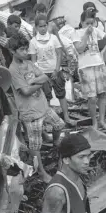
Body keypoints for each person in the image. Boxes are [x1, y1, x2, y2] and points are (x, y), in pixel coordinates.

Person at [8, 33, 65, 182]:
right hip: (30, 112)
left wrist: (34, 81)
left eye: (26, 49)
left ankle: (55, 144)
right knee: (35, 145)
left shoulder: (28, 63)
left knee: (59, 124)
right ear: (13, 51)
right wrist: (38, 83)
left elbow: (45, 76)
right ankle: (40, 171)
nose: (25, 52)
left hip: (42, 106)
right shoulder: (13, 70)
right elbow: (25, 91)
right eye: (22, 50)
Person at [39, 133, 106, 213]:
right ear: (66, 160)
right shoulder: (57, 193)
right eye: (81, 157)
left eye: (88, 156)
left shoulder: (78, 180)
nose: (87, 161)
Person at [29, 14, 76, 127]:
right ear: (36, 27)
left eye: (45, 25)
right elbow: (33, 61)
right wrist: (40, 75)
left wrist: (56, 69)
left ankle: (67, 118)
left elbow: (59, 54)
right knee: (46, 97)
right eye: (40, 26)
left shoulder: (53, 38)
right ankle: (49, 123)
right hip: (42, 74)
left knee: (61, 94)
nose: (43, 28)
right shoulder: (33, 42)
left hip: (56, 71)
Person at [72, 10, 106, 129]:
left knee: (102, 94)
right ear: (81, 22)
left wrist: (103, 51)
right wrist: (86, 34)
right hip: (85, 68)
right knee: (91, 97)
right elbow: (80, 49)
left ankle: (101, 120)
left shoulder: (96, 31)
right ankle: (94, 122)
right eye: (87, 23)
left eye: (92, 23)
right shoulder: (76, 33)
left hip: (99, 65)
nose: (90, 26)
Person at [83, 2, 106, 104]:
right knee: (98, 75)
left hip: (105, 49)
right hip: (93, 52)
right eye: (89, 9)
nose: (91, 11)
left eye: (93, 9)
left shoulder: (100, 21)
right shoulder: (84, 23)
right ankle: (100, 99)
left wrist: (105, 49)